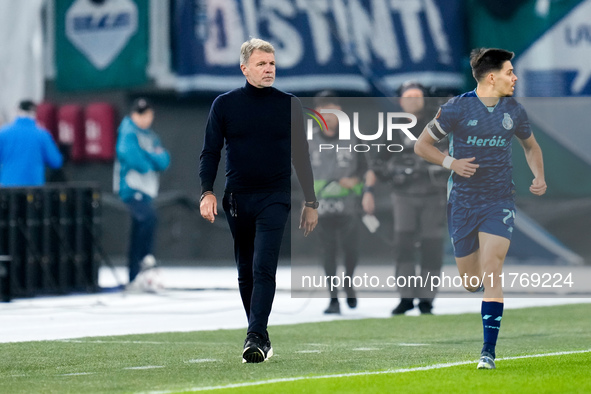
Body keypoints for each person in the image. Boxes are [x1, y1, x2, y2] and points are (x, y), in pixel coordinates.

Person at [414, 48, 546, 369]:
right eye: (509, 72)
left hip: (499, 200)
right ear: (491, 77)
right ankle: (481, 295)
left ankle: (488, 352)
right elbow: (421, 145)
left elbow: (531, 146)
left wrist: (539, 175)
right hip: (462, 203)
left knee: (492, 269)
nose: (514, 78)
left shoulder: (514, 110)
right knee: (472, 282)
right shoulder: (457, 109)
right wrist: (451, 162)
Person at [199, 38, 318, 364]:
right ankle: (260, 335)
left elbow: (301, 156)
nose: (269, 69)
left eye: (272, 64)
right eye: (262, 64)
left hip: (274, 197)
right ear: (245, 68)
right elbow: (210, 152)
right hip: (238, 198)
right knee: (245, 270)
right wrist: (206, 191)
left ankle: (254, 335)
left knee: (264, 265)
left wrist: (311, 201)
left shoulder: (289, 104)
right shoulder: (224, 105)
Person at [362, 82, 448, 315]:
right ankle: (406, 297)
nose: (412, 100)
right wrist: (368, 192)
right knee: (403, 246)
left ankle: (427, 300)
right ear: (400, 101)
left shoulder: (439, 124)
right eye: (407, 96)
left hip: (433, 195)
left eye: (416, 96)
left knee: (431, 246)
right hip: (403, 196)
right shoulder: (394, 128)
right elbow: (376, 163)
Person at [308, 91, 366, 314]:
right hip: (320, 205)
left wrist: (356, 181)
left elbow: (364, 167)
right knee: (327, 252)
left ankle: (348, 283)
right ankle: (333, 299)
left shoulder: (353, 137)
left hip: (348, 203)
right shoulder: (308, 139)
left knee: (351, 250)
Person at [114, 98, 170, 291]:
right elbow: (132, 157)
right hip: (131, 188)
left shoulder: (151, 136)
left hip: (147, 191)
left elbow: (163, 160)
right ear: (133, 114)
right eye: (140, 114)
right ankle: (144, 261)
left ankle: (136, 274)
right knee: (148, 218)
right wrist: (149, 158)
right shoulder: (128, 131)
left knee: (140, 228)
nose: (144, 118)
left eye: (147, 114)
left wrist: (148, 156)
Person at [0, 100, 63, 186]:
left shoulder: (3, 133)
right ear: (35, 113)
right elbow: (56, 162)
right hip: (34, 189)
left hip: (8, 188)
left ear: (17, 111)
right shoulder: (42, 135)